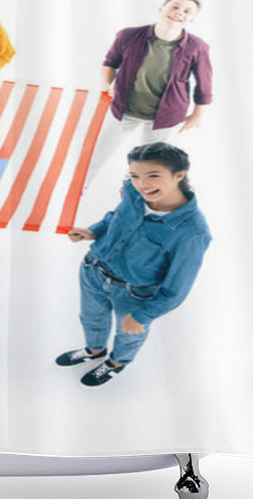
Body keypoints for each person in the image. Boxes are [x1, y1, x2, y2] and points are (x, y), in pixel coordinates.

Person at [57, 142, 211, 388]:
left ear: (179, 175)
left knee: (128, 333)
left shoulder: (192, 232)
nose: (142, 184)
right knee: (90, 318)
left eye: (153, 176)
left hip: (133, 293)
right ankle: (94, 351)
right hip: (94, 270)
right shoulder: (132, 190)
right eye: (135, 175)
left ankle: (116, 363)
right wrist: (93, 232)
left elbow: (176, 289)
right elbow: (116, 216)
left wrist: (142, 316)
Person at [84, 0, 212, 188]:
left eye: (187, 11)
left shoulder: (197, 47)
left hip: (164, 116)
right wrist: (106, 85)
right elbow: (110, 63)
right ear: (162, 8)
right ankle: (76, 193)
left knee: (146, 165)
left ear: (192, 19)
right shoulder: (128, 35)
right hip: (123, 110)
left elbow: (204, 82)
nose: (179, 13)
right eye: (175, 6)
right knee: (94, 155)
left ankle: (131, 196)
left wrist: (197, 114)